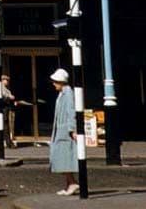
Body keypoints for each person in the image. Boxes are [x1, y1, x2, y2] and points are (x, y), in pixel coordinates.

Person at [49, 68, 79, 196]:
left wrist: (72, 129)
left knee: (62, 158)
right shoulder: (62, 93)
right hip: (60, 131)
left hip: (65, 131)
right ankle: (68, 185)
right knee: (61, 158)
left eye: (55, 81)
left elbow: (71, 111)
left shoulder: (68, 93)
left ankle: (72, 183)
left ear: (61, 82)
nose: (53, 84)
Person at [1, 75, 17, 147]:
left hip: (7, 108)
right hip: (4, 108)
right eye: (6, 80)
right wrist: (10, 97)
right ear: (3, 80)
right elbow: (4, 95)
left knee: (7, 125)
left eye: (8, 80)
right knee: (5, 125)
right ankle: (8, 142)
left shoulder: (6, 89)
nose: (7, 82)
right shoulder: (1, 88)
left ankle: (8, 142)